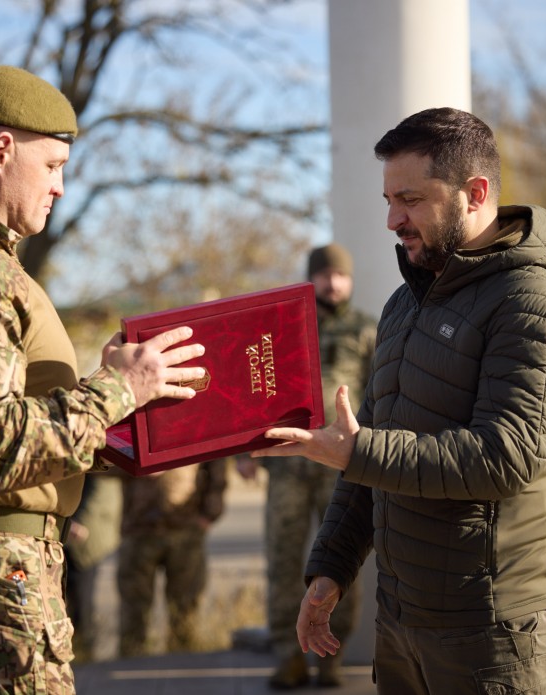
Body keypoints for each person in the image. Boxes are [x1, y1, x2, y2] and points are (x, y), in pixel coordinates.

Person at [0, 64, 206, 694]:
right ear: (1, 152)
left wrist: (135, 412)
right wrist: (115, 391)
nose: (59, 188)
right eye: (53, 166)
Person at [252, 107, 546, 694]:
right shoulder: (404, 305)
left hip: (491, 631)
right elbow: (372, 445)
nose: (392, 220)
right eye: (388, 199)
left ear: (475, 193)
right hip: (402, 618)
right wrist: (330, 570)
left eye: (410, 199)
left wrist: (358, 454)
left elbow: (506, 455)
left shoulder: (535, 304)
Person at [237, 242, 376, 688]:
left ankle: (330, 659)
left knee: (338, 562)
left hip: (342, 468)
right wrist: (245, 451)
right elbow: (257, 387)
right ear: (311, 278)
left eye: (341, 275)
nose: (333, 283)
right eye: (325, 275)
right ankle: (288, 655)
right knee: (282, 557)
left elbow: (379, 399)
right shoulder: (288, 327)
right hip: (289, 468)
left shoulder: (369, 331)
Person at [116, 459, 227, 657]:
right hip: (139, 527)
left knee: (185, 610)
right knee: (134, 611)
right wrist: (136, 465)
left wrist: (210, 513)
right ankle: (132, 669)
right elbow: (101, 461)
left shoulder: (192, 426)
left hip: (186, 528)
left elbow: (216, 462)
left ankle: (182, 670)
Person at [64, 471, 122, 662]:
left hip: (84, 538)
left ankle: (84, 654)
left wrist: (76, 523)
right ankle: (80, 651)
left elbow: (101, 492)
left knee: (82, 603)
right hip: (74, 533)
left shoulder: (101, 472)